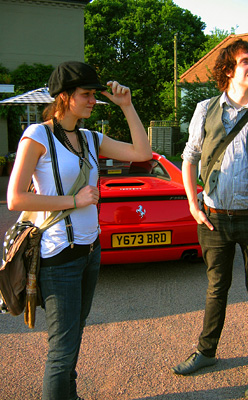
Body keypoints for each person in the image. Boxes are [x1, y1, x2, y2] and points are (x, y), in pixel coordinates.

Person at [7, 61, 152, 400]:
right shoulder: (37, 136)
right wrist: (74, 201)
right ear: (64, 97)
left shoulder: (89, 137)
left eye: (93, 95)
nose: (93, 101)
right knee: (61, 350)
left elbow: (142, 153)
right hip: (58, 257)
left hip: (90, 252)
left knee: (73, 338)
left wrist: (128, 106)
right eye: (86, 94)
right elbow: (15, 198)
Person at [171, 39, 248, 400]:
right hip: (213, 220)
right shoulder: (204, 108)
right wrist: (193, 205)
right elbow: (190, 157)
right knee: (215, 289)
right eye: (246, 62)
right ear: (228, 70)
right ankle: (207, 352)